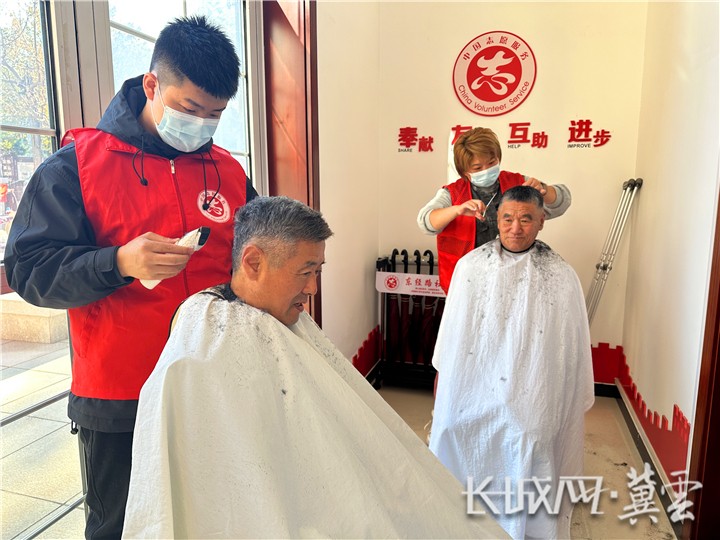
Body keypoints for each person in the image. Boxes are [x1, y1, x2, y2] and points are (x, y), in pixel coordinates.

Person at [121, 196, 509, 539]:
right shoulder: (205, 343)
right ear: (253, 262)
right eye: (305, 272)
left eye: (318, 272)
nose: (312, 289)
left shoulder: (289, 320)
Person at [3, 16, 257, 539]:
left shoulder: (228, 171)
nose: (202, 124)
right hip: (120, 395)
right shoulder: (75, 166)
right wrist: (118, 263)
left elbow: (252, 257)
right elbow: (28, 269)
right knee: (121, 527)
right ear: (152, 84)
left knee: (212, 518)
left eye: (215, 114)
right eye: (189, 108)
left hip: (213, 381)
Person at [428, 185, 595, 539]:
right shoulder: (471, 267)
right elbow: (454, 339)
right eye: (507, 218)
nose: (515, 228)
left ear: (542, 221)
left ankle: (524, 526)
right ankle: (459, 518)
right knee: (450, 428)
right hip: (476, 384)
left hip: (532, 389)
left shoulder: (560, 275)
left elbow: (568, 352)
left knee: (530, 434)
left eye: (526, 219)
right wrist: (446, 385)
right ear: (497, 219)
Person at [417, 127, 572, 293]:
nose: (486, 170)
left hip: (514, 280)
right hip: (467, 284)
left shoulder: (517, 182)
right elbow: (426, 222)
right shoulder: (452, 193)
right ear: (464, 171)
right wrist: (457, 210)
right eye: (477, 168)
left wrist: (544, 189)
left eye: (491, 163)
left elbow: (561, 201)